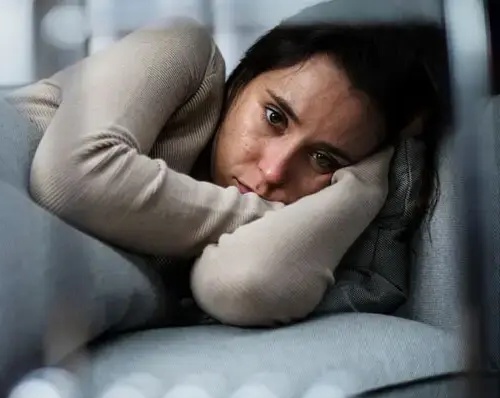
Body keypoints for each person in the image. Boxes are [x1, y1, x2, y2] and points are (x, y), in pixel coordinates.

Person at [6, 15, 447, 327]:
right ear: (242, 80)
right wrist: (275, 217)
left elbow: (243, 284)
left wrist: (365, 185)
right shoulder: (180, 48)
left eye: (324, 159)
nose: (273, 171)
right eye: (274, 117)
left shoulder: (222, 248)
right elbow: (72, 178)